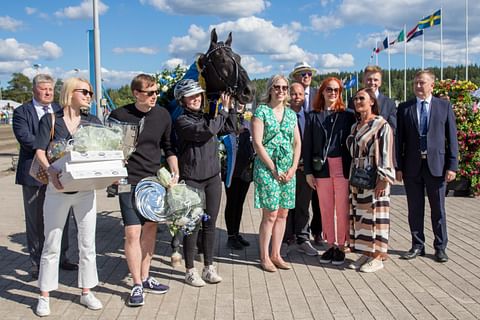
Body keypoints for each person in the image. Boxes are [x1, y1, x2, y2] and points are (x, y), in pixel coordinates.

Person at [33, 78, 103, 316]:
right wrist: (50, 170)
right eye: (85, 91)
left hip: (86, 191)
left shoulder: (93, 122)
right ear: (70, 92)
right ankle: (44, 295)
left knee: (87, 244)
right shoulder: (51, 120)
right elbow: (40, 151)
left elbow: (104, 150)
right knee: (52, 243)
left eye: (91, 93)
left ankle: (86, 291)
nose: (89, 96)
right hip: (58, 189)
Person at [109, 74, 179, 306]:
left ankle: (146, 276)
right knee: (132, 232)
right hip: (127, 181)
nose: (154, 97)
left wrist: (175, 172)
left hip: (153, 183)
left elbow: (168, 147)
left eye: (156, 92)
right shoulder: (119, 116)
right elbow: (108, 148)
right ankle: (136, 285)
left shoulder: (163, 115)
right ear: (136, 93)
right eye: (149, 93)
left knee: (150, 229)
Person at [12, 74, 77, 281]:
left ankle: (62, 257)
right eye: (43, 89)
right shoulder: (22, 112)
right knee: (36, 220)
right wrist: (50, 151)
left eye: (51, 89)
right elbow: (25, 138)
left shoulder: (59, 110)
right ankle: (37, 263)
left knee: (63, 215)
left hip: (60, 171)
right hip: (34, 174)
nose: (48, 92)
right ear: (34, 90)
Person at [173, 79, 236, 286]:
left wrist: (232, 107)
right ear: (182, 100)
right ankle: (190, 270)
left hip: (212, 178)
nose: (196, 99)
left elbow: (230, 126)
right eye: (191, 96)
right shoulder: (182, 121)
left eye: (198, 95)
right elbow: (204, 132)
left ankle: (209, 266)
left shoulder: (209, 116)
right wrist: (223, 112)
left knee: (210, 223)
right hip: (192, 180)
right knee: (193, 225)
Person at [396, 70, 458, 263]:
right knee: (415, 208)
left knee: (438, 209)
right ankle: (417, 245)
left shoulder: (443, 106)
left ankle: (440, 247)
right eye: (415, 83)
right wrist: (398, 166)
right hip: (412, 166)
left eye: (422, 83)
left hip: (437, 166)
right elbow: (400, 140)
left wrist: (452, 166)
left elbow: (452, 139)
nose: (418, 86)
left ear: (432, 85)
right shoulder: (405, 108)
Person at [303, 77, 356, 266]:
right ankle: (330, 244)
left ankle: (341, 245)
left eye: (336, 90)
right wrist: (308, 172)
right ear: (322, 92)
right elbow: (307, 145)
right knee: (325, 209)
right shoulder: (313, 115)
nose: (332, 93)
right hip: (321, 168)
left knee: (342, 209)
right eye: (329, 90)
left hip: (342, 167)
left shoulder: (348, 115)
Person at [252, 74, 301, 272]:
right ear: (270, 89)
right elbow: (257, 143)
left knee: (283, 213)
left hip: (288, 169)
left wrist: (293, 167)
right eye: (277, 87)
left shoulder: (291, 114)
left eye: (284, 87)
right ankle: (264, 256)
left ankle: (276, 254)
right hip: (267, 168)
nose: (281, 91)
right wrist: (273, 168)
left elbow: (297, 142)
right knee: (270, 214)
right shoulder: (261, 111)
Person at [346, 88, 395, 272]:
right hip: (358, 177)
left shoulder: (381, 125)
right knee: (361, 215)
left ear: (372, 101)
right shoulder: (355, 126)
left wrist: (384, 178)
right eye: (356, 99)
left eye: (362, 98)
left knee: (376, 215)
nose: (358, 102)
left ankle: (378, 256)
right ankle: (366, 253)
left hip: (375, 176)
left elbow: (386, 152)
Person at [282, 83, 318, 257]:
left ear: (305, 96)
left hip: (305, 169)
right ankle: (286, 238)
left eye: (300, 94)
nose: (297, 97)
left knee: (303, 205)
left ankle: (303, 238)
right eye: (294, 94)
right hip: (287, 169)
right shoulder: (282, 116)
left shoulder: (309, 117)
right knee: (287, 206)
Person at [289, 62, 323, 244]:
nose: (306, 76)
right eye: (302, 74)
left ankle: (317, 231)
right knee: (296, 200)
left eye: (308, 73)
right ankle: (294, 233)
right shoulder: (288, 105)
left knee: (317, 201)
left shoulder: (319, 94)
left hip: (314, 157)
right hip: (295, 161)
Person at [223, 102, 254, 250]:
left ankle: (236, 233)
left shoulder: (249, 119)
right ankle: (230, 236)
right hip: (232, 169)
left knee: (240, 203)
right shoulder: (227, 118)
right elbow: (221, 139)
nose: (241, 104)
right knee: (232, 202)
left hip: (245, 169)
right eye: (238, 102)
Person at [348, 65, 397, 133]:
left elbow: (393, 130)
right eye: (369, 79)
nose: (372, 82)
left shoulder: (389, 104)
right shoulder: (353, 101)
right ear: (364, 80)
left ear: (380, 82)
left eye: (375, 80)